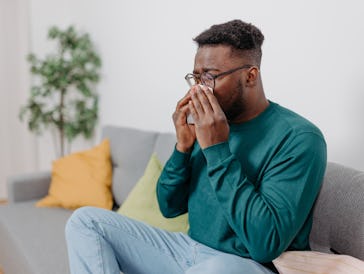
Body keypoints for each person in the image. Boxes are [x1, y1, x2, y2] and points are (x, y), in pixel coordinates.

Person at [65, 19, 327, 274]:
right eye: (196, 77)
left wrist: (218, 149)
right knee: (85, 221)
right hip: (187, 250)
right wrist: (183, 146)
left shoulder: (299, 137)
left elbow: (264, 244)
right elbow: (169, 206)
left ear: (250, 76)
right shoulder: (207, 124)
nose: (200, 90)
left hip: (244, 264)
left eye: (211, 77)